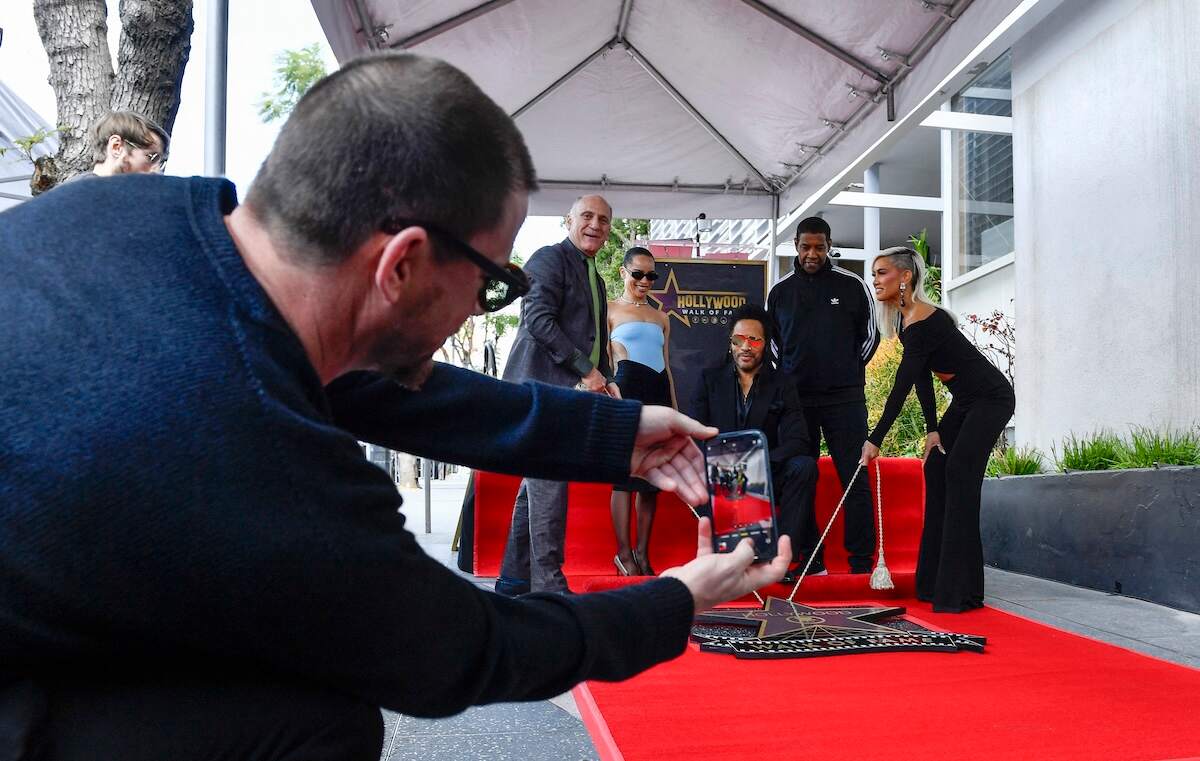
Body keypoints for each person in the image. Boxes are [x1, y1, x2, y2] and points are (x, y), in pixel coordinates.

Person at [0, 53, 791, 758]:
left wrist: (614, 434)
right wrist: (682, 596)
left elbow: (375, 388)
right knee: (325, 719)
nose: (486, 307)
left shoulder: (132, 215)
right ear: (404, 262)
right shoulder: (263, 455)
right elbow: (461, 649)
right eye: (492, 283)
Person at [860, 247, 1014, 613]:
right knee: (936, 467)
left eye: (882, 273)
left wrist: (875, 438)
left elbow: (901, 385)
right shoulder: (906, 321)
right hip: (965, 401)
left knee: (960, 474)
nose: (875, 280)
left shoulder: (925, 318)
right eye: (874, 273)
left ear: (905, 277)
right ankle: (932, 584)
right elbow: (922, 381)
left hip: (991, 399)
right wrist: (932, 429)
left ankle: (960, 591)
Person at [496, 194, 621, 595]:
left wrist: (608, 376)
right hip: (539, 390)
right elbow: (537, 320)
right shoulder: (549, 259)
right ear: (568, 220)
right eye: (587, 216)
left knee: (535, 487)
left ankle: (514, 581)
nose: (596, 225)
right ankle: (549, 585)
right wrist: (587, 371)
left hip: (568, 394)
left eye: (603, 220)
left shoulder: (596, 277)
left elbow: (595, 336)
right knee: (549, 484)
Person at [768, 216, 879, 574]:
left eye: (819, 247)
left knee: (855, 479)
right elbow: (773, 345)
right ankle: (811, 559)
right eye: (805, 247)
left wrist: (846, 373)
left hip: (845, 401)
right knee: (800, 476)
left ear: (829, 245)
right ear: (796, 247)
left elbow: (871, 337)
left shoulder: (853, 285)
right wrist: (788, 385)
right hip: (797, 403)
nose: (811, 254)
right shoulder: (780, 291)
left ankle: (861, 563)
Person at [691, 305, 818, 584]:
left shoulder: (783, 384)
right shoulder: (709, 380)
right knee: (696, 469)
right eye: (739, 340)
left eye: (754, 340)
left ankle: (779, 557)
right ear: (730, 343)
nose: (745, 347)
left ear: (766, 344)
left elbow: (799, 440)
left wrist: (758, 463)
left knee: (804, 466)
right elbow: (696, 434)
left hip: (766, 470)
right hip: (721, 471)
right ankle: (724, 554)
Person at [607, 247, 677, 576]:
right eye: (638, 274)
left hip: (658, 392)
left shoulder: (661, 317)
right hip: (626, 392)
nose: (645, 281)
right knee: (624, 477)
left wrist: (675, 411)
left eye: (651, 275)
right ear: (623, 273)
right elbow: (603, 363)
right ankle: (623, 554)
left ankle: (642, 553)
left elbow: (668, 367)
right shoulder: (608, 310)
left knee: (652, 478)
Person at [76, 110, 170, 178]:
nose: (157, 171)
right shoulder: (79, 196)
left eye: (161, 163)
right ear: (116, 147)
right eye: (152, 157)